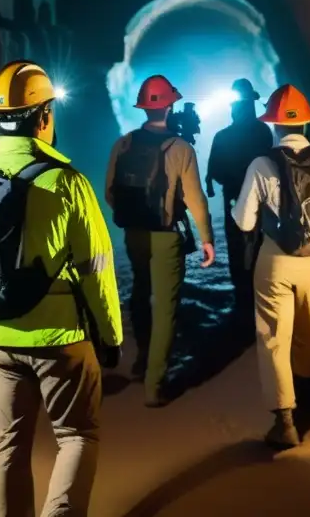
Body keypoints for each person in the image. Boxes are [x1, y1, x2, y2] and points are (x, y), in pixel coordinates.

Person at [0, 60, 123, 517]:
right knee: (77, 435)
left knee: (10, 443)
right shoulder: (67, 183)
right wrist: (110, 334)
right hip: (59, 337)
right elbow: (96, 268)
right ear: (43, 117)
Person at [232, 84, 310, 450]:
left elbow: (244, 222)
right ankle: (308, 389)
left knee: (274, 337)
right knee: (309, 330)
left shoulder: (261, 164)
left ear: (272, 125)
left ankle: (284, 420)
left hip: (276, 261)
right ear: (306, 125)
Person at [106, 74, 215, 407]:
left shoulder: (123, 143)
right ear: (170, 106)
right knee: (166, 308)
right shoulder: (181, 148)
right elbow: (196, 198)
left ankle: (141, 360)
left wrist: (133, 215)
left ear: (143, 107)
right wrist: (207, 238)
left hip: (135, 234)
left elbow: (110, 192)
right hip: (167, 236)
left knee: (140, 292)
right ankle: (155, 384)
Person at [206, 78, 273, 319]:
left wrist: (213, 182)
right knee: (259, 241)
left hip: (234, 195)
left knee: (237, 242)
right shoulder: (263, 131)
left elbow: (214, 171)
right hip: (261, 197)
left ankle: (244, 296)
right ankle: (257, 293)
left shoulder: (224, 136)